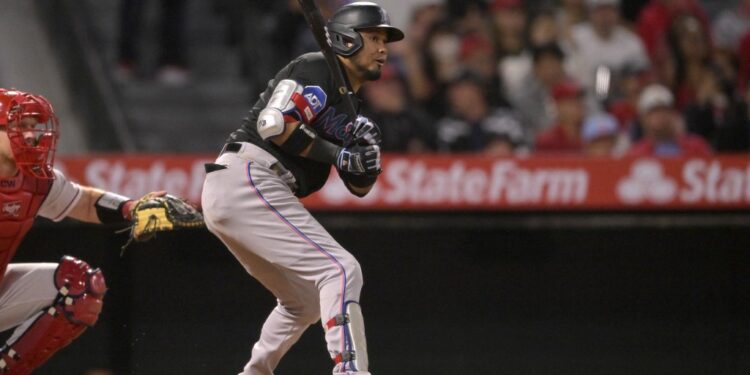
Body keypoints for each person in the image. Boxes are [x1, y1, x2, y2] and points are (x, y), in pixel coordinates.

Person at [200, 3, 403, 375]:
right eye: (373, 38)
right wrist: (339, 153)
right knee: (341, 270)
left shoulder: (351, 109)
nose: (383, 48)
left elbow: (360, 187)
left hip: (248, 189)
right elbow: (273, 124)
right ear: (345, 39)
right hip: (249, 175)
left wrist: (363, 156)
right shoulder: (318, 67)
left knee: (304, 303)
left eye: (385, 40)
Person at [0, 89, 163, 374]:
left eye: (31, 126)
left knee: (80, 286)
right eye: (17, 126)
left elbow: (84, 202)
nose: (29, 135)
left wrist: (132, 208)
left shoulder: (34, 179)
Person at [627, 83, 712, 157]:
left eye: (664, 110)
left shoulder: (696, 146)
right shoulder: (636, 153)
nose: (659, 115)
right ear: (643, 118)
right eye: (653, 111)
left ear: (672, 114)